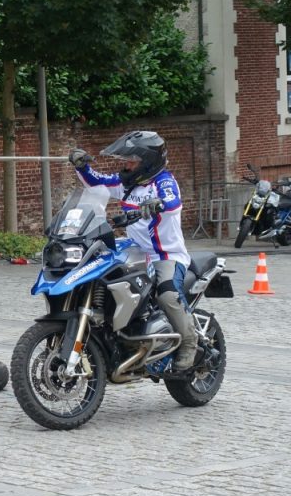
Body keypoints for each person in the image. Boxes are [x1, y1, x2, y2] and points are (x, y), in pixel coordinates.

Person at [68, 130, 198, 371]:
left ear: (147, 162)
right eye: (126, 161)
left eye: (131, 161)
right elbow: (97, 182)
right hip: (135, 251)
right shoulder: (127, 184)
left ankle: (190, 342)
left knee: (167, 295)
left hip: (166, 255)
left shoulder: (164, 182)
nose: (126, 165)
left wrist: (158, 203)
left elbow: (172, 202)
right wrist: (82, 166)